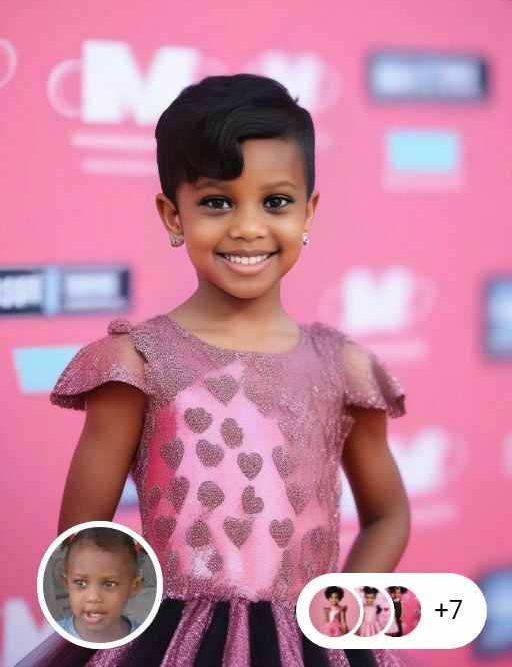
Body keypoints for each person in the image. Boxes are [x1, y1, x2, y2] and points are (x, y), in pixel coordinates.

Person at [17, 73, 411, 666]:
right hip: (167, 644)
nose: (248, 227)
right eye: (217, 202)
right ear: (173, 215)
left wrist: (338, 614)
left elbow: (387, 514)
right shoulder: (136, 362)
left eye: (275, 202)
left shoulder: (344, 367)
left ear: (309, 211)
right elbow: (82, 540)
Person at [56, 528, 143, 642]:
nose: (93, 597)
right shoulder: (51, 638)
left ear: (134, 587)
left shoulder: (147, 638)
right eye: (80, 583)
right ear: (66, 583)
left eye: (109, 584)